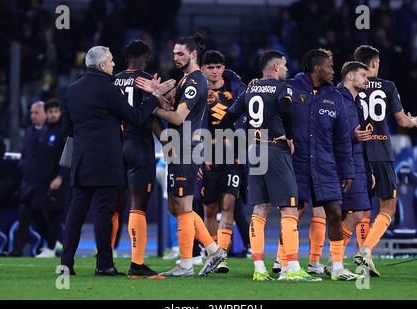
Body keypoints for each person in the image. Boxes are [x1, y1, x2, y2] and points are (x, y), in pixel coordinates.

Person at [60, 46, 174, 276]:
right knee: (104, 212)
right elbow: (136, 117)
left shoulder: (72, 90)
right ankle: (104, 265)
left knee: (76, 213)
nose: (114, 65)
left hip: (81, 160)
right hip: (107, 160)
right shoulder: (108, 89)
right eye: (111, 61)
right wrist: (153, 96)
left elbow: (68, 129)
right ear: (102, 65)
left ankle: (65, 264)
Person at [220, 50, 321, 282]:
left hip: (254, 150)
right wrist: (290, 136)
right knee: (289, 208)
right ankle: (292, 268)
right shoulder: (281, 88)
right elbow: (286, 109)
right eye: (284, 65)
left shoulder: (250, 89)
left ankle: (259, 268)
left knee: (259, 209)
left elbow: (227, 118)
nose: (287, 69)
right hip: (275, 149)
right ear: (275, 67)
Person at [136, 34, 227, 277]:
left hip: (186, 147)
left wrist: (152, 108)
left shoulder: (196, 81)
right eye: (174, 53)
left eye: (180, 54)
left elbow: (177, 117)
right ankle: (213, 249)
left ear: (193, 54)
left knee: (183, 206)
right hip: (180, 147)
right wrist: (157, 93)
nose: (175, 57)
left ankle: (187, 263)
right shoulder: (185, 79)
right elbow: (172, 110)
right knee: (176, 207)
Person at [287, 49, 361, 281]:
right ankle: (286, 263)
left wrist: (347, 170)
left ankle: (337, 266)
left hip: (326, 165)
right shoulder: (291, 88)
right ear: (316, 67)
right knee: (293, 212)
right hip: (297, 163)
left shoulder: (336, 97)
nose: (333, 70)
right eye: (329, 66)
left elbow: (342, 138)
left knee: (335, 212)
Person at [353, 45, 417, 276]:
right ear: (373, 63)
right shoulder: (388, 86)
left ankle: (340, 258)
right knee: (387, 207)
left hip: (356, 153)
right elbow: (401, 121)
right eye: (378, 62)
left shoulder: (349, 87)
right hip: (380, 151)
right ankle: (365, 251)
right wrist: (414, 121)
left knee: (359, 210)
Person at [113, 39, 164, 278]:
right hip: (139, 145)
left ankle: (105, 260)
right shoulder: (146, 80)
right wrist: (165, 139)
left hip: (116, 146)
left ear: (126, 58)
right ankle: (137, 263)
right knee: (138, 204)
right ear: (146, 56)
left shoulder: (113, 79)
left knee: (114, 204)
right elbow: (150, 115)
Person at [200, 50, 247, 273]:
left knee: (229, 204)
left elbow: (246, 119)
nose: (215, 71)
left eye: (218, 66)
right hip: (207, 156)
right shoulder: (196, 92)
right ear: (202, 69)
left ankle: (223, 255)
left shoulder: (235, 89)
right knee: (209, 208)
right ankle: (212, 253)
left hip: (231, 155)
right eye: (210, 67)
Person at [335, 61, 374, 263]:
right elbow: (331, 132)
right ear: (350, 76)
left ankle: (334, 260)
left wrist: (369, 170)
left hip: (357, 163)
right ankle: (334, 261)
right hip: (343, 164)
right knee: (354, 213)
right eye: (363, 75)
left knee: (355, 214)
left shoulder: (355, 101)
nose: (367, 80)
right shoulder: (337, 99)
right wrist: (353, 136)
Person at [9, 101, 48, 257]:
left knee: (43, 219)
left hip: (43, 185)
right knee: (23, 216)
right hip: (28, 183)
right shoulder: (29, 132)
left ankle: (55, 243)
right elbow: (25, 153)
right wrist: (23, 166)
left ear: (44, 113)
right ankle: (17, 250)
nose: (33, 116)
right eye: (32, 112)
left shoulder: (50, 132)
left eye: (36, 112)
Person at [35, 99, 68, 258]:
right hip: (42, 182)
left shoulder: (63, 131)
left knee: (55, 215)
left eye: (56, 111)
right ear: (46, 114)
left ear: (60, 112)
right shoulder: (43, 131)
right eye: (50, 111)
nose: (53, 114)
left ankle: (51, 247)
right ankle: (55, 242)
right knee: (39, 213)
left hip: (58, 181)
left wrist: (60, 177)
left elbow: (67, 157)